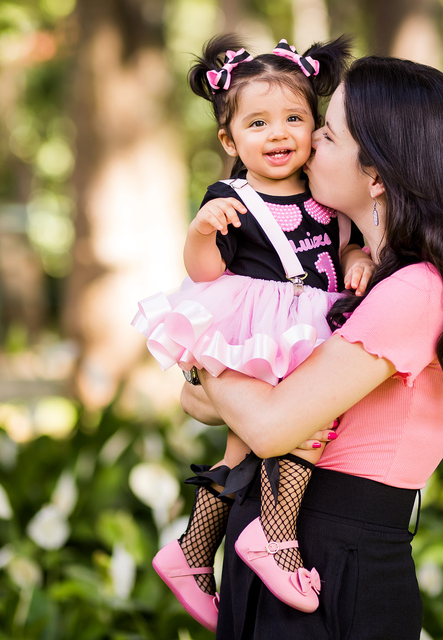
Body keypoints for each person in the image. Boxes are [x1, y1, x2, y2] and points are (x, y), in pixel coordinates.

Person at [181, 55, 443, 639]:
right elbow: (201, 406)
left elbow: (266, 427)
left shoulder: (418, 291)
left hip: (330, 558)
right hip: (277, 545)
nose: (306, 140)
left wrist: (201, 341)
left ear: (377, 174)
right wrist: (214, 377)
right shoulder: (352, 282)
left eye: (327, 132)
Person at [133, 35, 375, 631]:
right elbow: (205, 273)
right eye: (259, 123)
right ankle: (274, 536)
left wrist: (356, 262)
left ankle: (191, 551)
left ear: (316, 128)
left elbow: (338, 249)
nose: (278, 134)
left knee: (241, 448)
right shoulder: (232, 197)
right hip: (261, 326)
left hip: (311, 317)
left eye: (295, 119)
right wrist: (200, 232)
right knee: (306, 423)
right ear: (229, 140)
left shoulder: (325, 194)